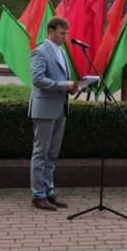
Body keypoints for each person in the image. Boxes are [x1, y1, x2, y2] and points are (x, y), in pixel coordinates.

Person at [28, 16, 78, 211]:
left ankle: (49, 192)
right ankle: (37, 195)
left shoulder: (62, 52)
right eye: (62, 33)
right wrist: (64, 85)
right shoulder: (39, 52)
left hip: (60, 109)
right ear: (50, 31)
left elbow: (61, 79)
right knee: (40, 152)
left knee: (53, 154)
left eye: (66, 33)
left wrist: (72, 86)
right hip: (44, 109)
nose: (65, 36)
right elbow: (38, 79)